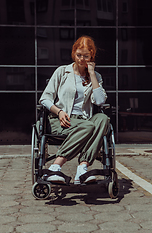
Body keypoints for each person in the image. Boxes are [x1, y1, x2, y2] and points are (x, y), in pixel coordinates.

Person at [39, 36, 109, 184]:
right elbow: (45, 98)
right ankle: (55, 167)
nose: (81, 59)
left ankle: (82, 169)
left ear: (91, 57)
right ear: (73, 53)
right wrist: (58, 111)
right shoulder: (62, 72)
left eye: (86, 56)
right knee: (88, 126)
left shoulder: (96, 76)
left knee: (103, 119)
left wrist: (92, 74)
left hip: (84, 121)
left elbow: (100, 101)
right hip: (62, 120)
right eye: (78, 55)